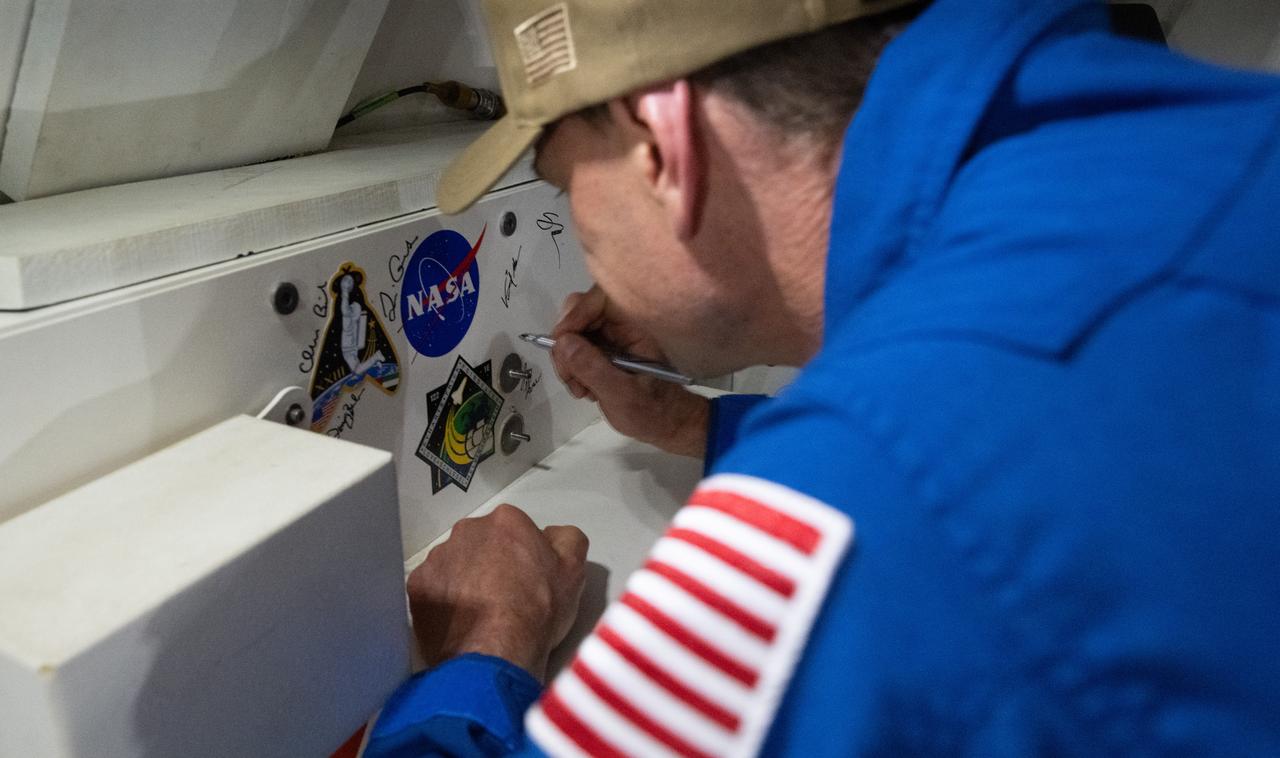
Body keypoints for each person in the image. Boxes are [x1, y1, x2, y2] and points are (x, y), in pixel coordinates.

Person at [365, 0, 1280, 754]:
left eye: (566, 183)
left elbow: (920, 478)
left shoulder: (876, 473)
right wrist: (697, 424)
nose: (589, 239)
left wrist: (479, 650)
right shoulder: (1183, 142)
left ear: (662, 136)